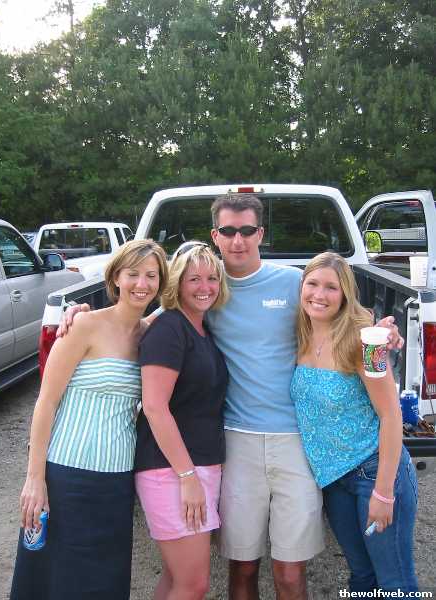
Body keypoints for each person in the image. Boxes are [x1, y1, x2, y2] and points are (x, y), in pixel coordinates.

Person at [59, 193, 403, 600]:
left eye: (246, 230)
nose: (237, 240)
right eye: (227, 231)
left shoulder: (293, 282)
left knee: (291, 572)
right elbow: (147, 322)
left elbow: (340, 309)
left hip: (296, 441)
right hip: (236, 441)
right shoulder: (205, 283)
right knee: (242, 565)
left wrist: (385, 331)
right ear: (215, 235)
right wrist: (85, 315)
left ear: (260, 233)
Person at [10, 239, 168, 600]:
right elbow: (46, 402)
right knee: (55, 579)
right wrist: (35, 479)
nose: (141, 284)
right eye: (133, 274)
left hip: (116, 479)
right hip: (67, 475)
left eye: (151, 275)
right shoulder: (83, 325)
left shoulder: (152, 334)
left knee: (103, 580)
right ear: (116, 278)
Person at [290, 252, 418, 595]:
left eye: (331, 287)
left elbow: (391, 415)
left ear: (345, 294)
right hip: (334, 480)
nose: (319, 294)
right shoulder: (299, 334)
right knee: (361, 576)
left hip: (374, 472)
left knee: (395, 582)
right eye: (312, 284)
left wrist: (384, 492)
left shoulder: (367, 343)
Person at [135, 242, 229, 600]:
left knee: (178, 578)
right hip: (171, 471)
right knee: (193, 584)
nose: (205, 287)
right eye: (194, 279)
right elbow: (154, 407)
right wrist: (187, 477)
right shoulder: (169, 329)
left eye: (212, 278)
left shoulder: (201, 328)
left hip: (196, 466)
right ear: (177, 283)